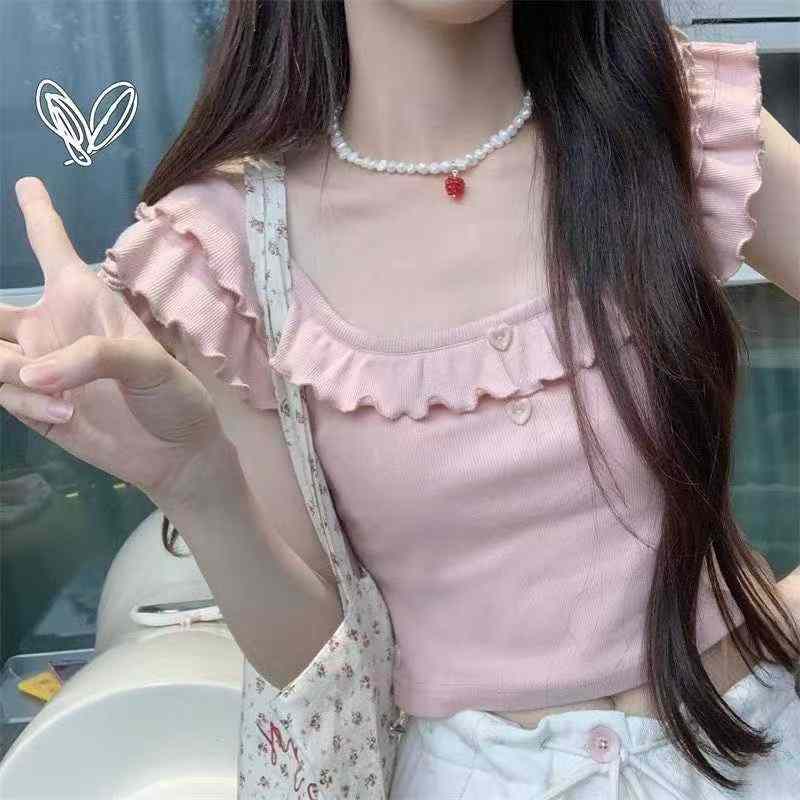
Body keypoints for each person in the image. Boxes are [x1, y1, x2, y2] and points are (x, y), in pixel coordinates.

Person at [3, 1, 800, 797]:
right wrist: (193, 480)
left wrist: (779, 624)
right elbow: (315, 659)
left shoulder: (668, 110)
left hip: (754, 745)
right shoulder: (228, 247)